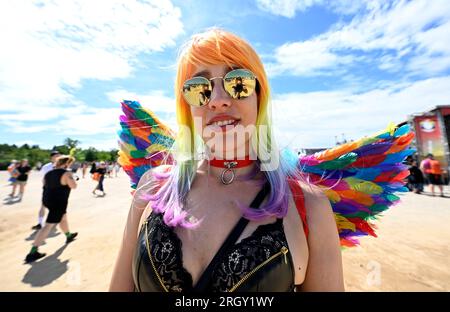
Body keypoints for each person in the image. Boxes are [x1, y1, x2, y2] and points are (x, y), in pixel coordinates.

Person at [110, 29, 343, 292]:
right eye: (199, 88)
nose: (219, 100)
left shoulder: (308, 205)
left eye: (238, 83)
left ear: (259, 96)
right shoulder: (151, 187)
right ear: (186, 106)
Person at [25, 155, 78, 263]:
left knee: (63, 218)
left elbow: (44, 185)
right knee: (48, 225)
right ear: (66, 164)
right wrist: (73, 178)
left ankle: (68, 235)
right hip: (58, 202)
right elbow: (73, 186)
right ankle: (33, 252)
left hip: (47, 200)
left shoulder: (48, 173)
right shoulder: (66, 173)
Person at [32, 150, 61, 230]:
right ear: (51, 157)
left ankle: (55, 221)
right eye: (57, 156)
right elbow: (44, 178)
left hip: (59, 190)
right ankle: (40, 223)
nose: (59, 157)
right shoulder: (46, 167)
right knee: (43, 205)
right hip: (48, 188)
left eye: (59, 156)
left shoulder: (62, 166)